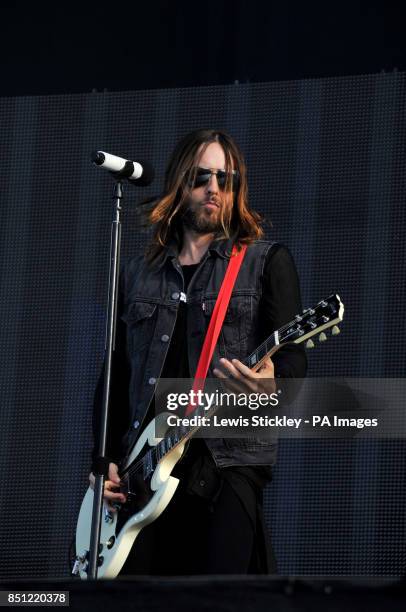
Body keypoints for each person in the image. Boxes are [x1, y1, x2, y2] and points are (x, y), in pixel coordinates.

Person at [90, 128, 307, 575]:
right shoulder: (137, 274)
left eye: (225, 180)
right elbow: (116, 375)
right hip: (144, 471)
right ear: (180, 183)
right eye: (202, 177)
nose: (214, 189)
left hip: (226, 462)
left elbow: (293, 364)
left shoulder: (265, 262)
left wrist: (271, 385)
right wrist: (104, 465)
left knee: (215, 597)